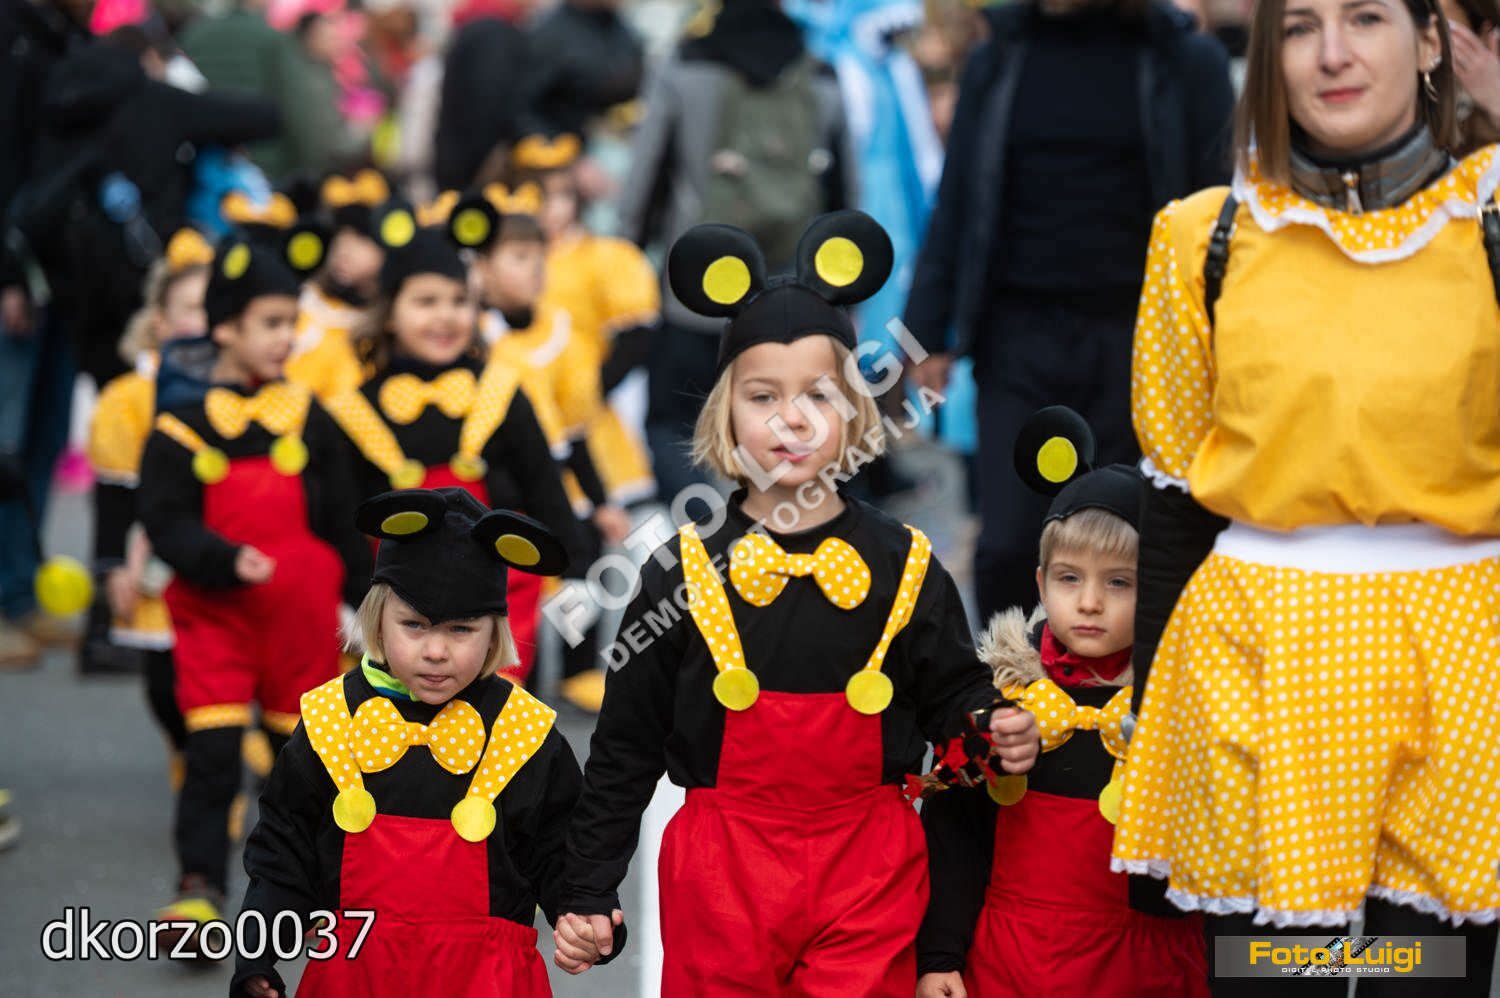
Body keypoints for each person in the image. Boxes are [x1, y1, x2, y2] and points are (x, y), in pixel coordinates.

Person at [1112, 0, 1500, 991]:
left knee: (1426, 975)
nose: (1332, 53)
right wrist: (1151, 739)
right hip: (1254, 660)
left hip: (1462, 663)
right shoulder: (1203, 237)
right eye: (1298, 27)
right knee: (1274, 977)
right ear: (1267, 58)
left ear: (1430, 42)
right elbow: (1175, 507)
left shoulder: (1491, 224)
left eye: (1365, 17)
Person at [555, 211, 1039, 993]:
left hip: (868, 867)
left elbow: (953, 697)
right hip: (721, 875)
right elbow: (625, 746)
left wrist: (991, 725)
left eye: (820, 393)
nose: (792, 417)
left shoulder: (906, 565)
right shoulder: (678, 572)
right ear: (725, 411)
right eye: (762, 396)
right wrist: (587, 888)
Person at [902, 0, 1233, 625]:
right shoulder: (998, 58)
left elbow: (1219, 211)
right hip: (1017, 339)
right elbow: (958, 200)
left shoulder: (1184, 60)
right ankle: (1012, 680)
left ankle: (1122, 688)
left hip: (1142, 346)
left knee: (1125, 544)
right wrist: (925, 333)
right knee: (1008, 544)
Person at [232, 487, 587, 997]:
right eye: (414, 626)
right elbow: (281, 854)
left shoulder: (523, 731)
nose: (436, 651)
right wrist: (257, 959)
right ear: (378, 619)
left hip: (487, 983)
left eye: (461, 629)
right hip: (354, 981)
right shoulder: (332, 721)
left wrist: (583, 911)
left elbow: (559, 848)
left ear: (494, 633)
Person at [916, 407, 1205, 998]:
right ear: (1041, 583)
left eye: (1119, 582)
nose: (1090, 602)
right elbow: (952, 830)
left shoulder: (1182, 708)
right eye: (1070, 578)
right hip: (1012, 962)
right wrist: (940, 956)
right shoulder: (1001, 699)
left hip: (1146, 968)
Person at [137, 237, 368, 946]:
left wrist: (369, 601)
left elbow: (342, 517)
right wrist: (221, 557)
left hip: (299, 622)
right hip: (217, 618)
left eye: (290, 322)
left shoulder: (309, 415)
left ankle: (309, 895)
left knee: (305, 767)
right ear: (224, 329)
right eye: (269, 323)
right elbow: (165, 521)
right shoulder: (181, 427)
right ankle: (199, 887)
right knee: (211, 757)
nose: (284, 338)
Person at [323, 200, 588, 684]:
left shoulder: (502, 390)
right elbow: (339, 515)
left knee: (496, 714)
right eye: (426, 302)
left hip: (498, 601)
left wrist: (577, 569)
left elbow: (543, 483)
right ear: (389, 312)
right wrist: (354, 596)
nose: (446, 316)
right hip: (397, 604)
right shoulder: (352, 409)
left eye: (459, 301)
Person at [615, 0, 858, 500]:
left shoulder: (685, 68)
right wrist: (838, 296)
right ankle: (780, 531)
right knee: (788, 424)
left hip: (696, 285)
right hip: (791, 297)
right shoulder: (817, 73)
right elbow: (844, 196)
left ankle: (700, 531)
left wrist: (626, 259)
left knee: (673, 423)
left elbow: (644, 179)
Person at [85, 228, 212, 764]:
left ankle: (220, 762)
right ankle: (190, 750)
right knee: (164, 683)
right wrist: (113, 564)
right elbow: (114, 490)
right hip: (155, 550)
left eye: (214, 307)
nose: (206, 320)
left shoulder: (248, 387)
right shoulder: (130, 396)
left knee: (225, 670)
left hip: (226, 545)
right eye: (192, 308)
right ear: (160, 322)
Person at [286, 169, 390, 400]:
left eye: (361, 239)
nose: (344, 248)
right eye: (341, 235)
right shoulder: (304, 304)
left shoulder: (387, 323)